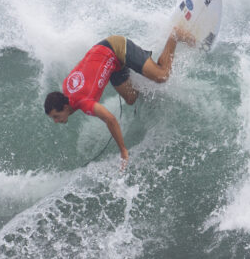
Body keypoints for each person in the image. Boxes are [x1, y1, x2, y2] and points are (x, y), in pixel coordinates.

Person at [44, 28, 193, 167]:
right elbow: (83, 66)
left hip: (116, 48)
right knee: (131, 98)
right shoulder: (66, 87)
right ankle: (142, 74)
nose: (56, 121)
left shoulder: (84, 102)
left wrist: (123, 150)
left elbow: (110, 119)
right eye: (54, 118)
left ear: (64, 107)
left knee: (162, 75)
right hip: (111, 64)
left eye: (56, 116)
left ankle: (175, 35)